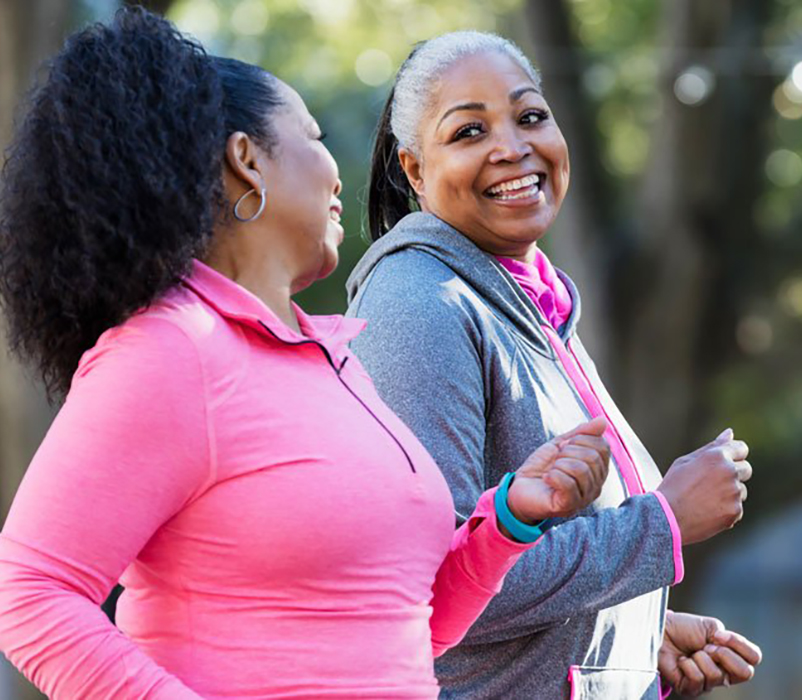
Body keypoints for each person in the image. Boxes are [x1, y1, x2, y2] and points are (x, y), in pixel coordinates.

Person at [0, 11, 613, 700]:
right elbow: (30, 592)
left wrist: (508, 520)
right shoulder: (171, 351)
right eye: (313, 138)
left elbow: (404, 624)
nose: (339, 176)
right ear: (247, 160)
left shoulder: (334, 362)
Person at [346, 31, 762, 699]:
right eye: (469, 131)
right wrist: (662, 523)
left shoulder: (530, 297)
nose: (512, 146)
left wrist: (635, 631)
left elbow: (534, 568)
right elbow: (436, 584)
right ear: (416, 170)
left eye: (530, 115)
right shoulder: (420, 303)